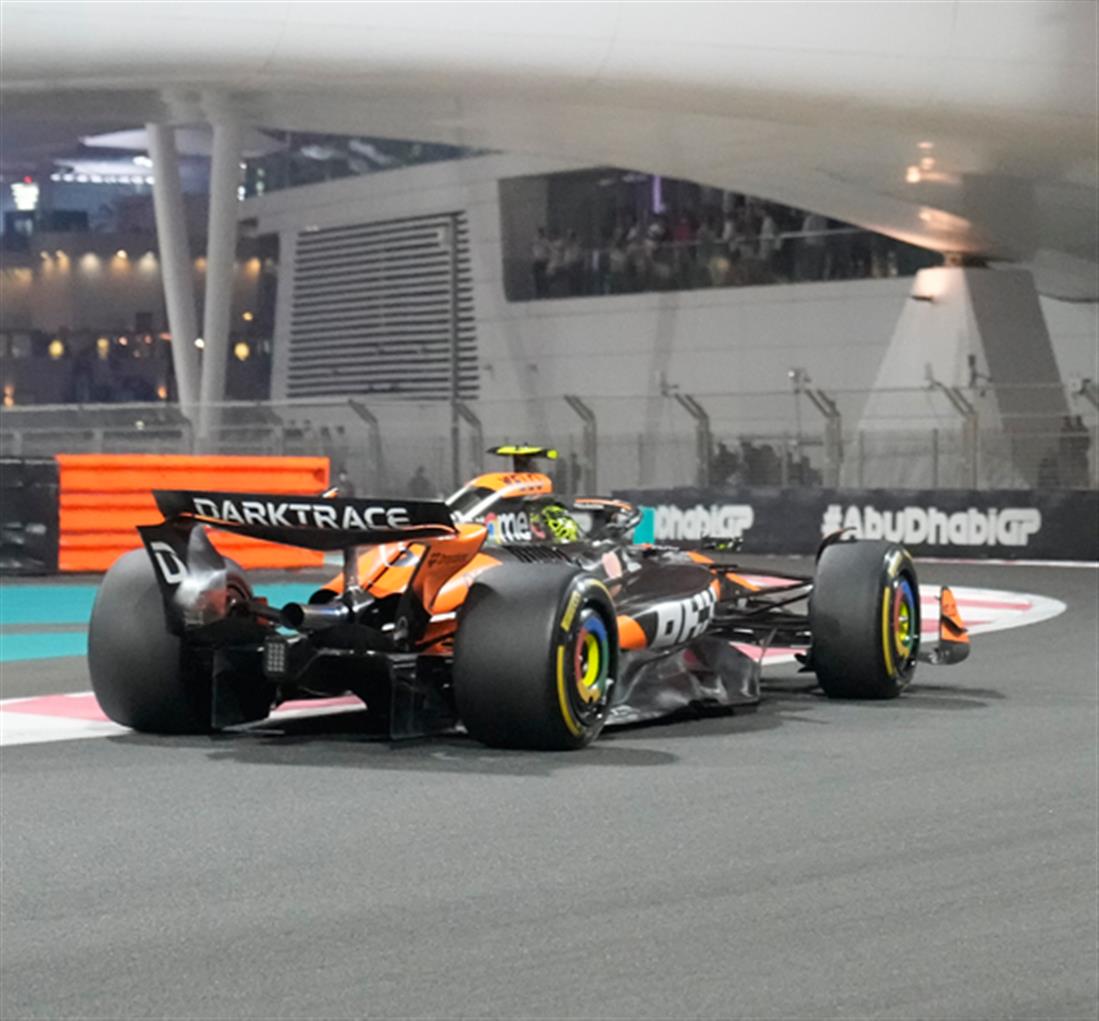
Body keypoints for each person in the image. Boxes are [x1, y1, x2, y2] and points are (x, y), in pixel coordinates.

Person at [531, 227, 550, 298]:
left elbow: (550, 250)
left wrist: (547, 258)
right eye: (539, 233)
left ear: (543, 233)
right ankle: (538, 291)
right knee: (536, 277)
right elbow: (532, 248)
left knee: (544, 277)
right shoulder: (534, 240)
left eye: (541, 233)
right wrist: (534, 256)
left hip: (543, 261)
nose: (540, 234)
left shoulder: (546, 241)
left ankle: (545, 291)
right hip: (536, 261)